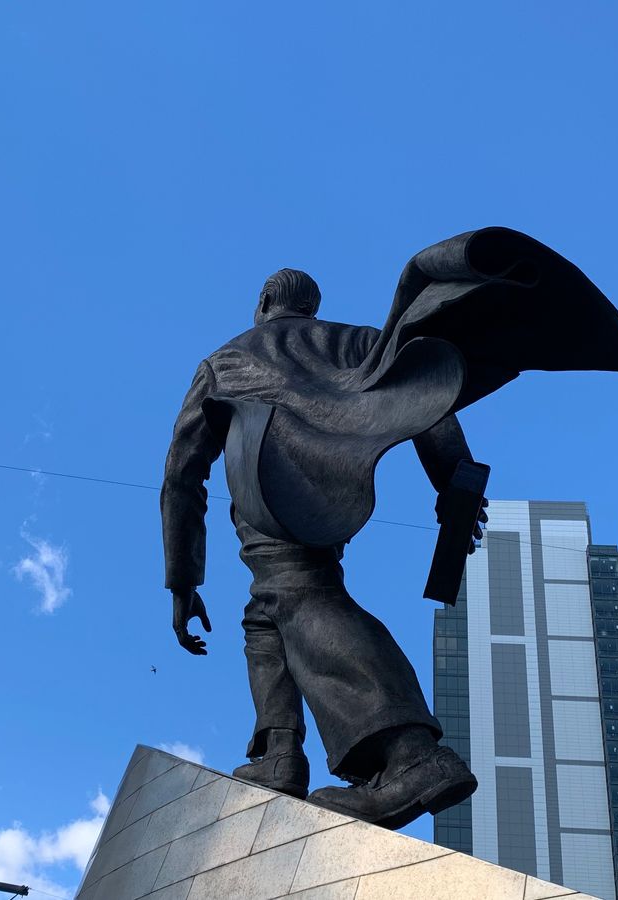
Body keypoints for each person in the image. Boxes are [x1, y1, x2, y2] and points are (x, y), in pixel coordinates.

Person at [160, 268, 481, 829]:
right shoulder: (357, 342)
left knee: (303, 596)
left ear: (265, 301)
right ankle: (279, 750)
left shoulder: (226, 361)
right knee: (268, 610)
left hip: (266, 497)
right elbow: (428, 400)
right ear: (311, 306)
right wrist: (457, 485)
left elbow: (182, 475)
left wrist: (183, 580)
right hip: (338, 495)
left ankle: (411, 754)